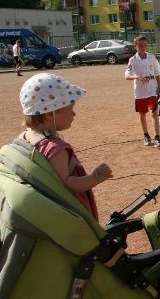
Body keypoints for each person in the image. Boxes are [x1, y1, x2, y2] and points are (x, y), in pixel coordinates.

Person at [19, 73, 112, 220]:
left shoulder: (25, 136)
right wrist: (96, 177)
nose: (74, 113)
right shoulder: (55, 148)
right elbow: (68, 184)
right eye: (70, 108)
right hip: (71, 212)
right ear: (50, 114)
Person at [125, 35, 160, 148]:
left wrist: (159, 86)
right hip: (140, 93)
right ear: (136, 46)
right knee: (142, 114)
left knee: (154, 113)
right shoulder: (133, 60)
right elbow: (127, 75)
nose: (143, 48)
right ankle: (146, 135)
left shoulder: (151, 57)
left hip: (152, 91)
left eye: (145, 45)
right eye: (141, 46)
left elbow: (157, 73)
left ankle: (157, 137)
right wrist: (137, 77)